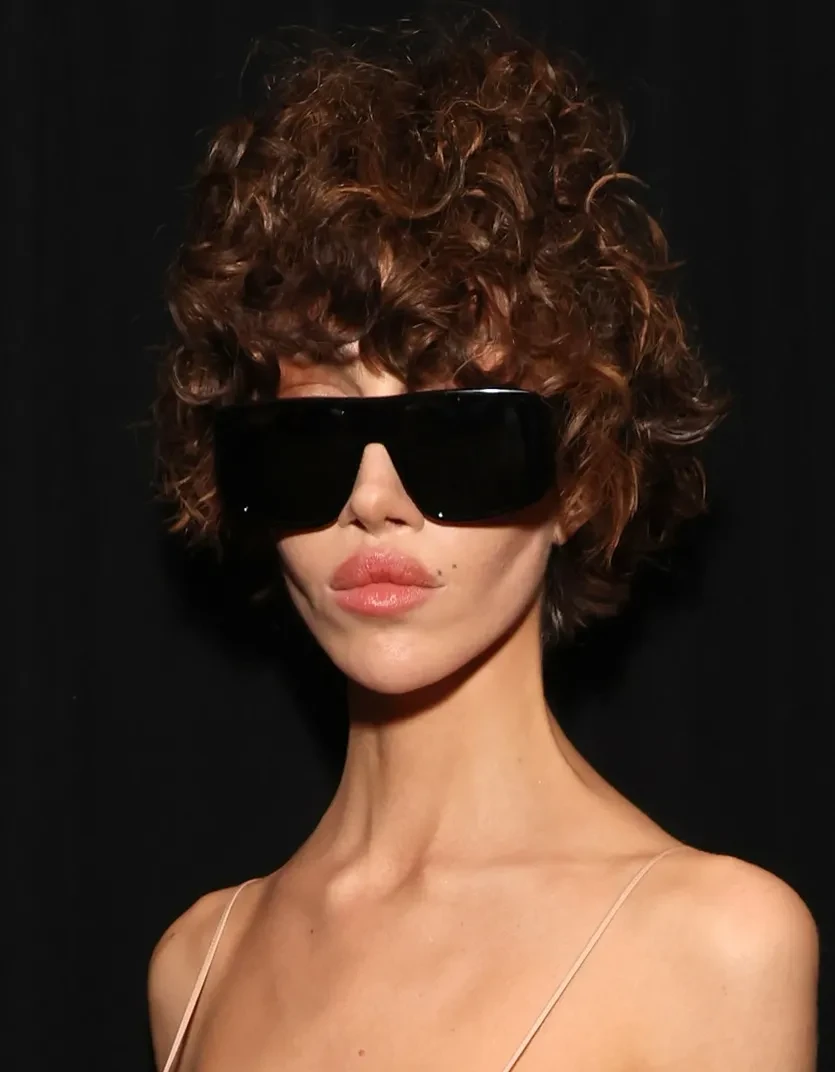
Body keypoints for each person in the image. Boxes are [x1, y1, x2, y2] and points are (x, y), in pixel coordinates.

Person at [148, 10, 819, 1071]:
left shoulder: (712, 944)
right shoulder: (198, 964)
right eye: (307, 443)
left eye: (459, 439)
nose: (373, 499)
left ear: (580, 479)